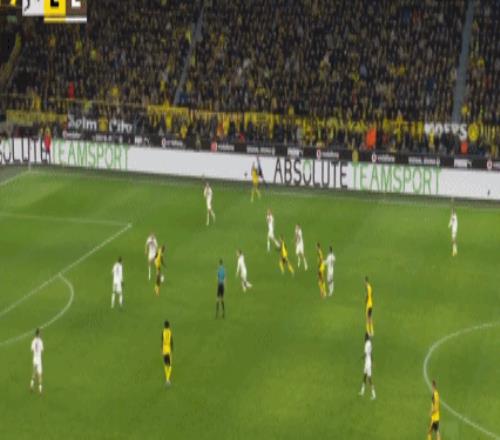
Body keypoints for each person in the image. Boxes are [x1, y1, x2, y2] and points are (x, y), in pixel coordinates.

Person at [359, 333, 376, 400]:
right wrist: (372, 361)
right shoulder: (370, 343)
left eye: (365, 337)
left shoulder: (366, 344)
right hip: (368, 362)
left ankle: (374, 394)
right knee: (364, 376)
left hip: (367, 363)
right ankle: (362, 391)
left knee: (369, 379)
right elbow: (371, 353)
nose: (364, 338)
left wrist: (362, 357)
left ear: (366, 337)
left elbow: (366, 353)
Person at [30, 328, 44, 394]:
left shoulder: (33, 341)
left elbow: (32, 349)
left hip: (34, 359)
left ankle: (31, 385)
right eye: (40, 333)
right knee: (39, 375)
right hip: (39, 359)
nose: (41, 334)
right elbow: (42, 350)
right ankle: (40, 390)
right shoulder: (40, 341)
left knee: (34, 373)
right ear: (38, 334)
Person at [161, 321, 173, 386]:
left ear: (164, 326)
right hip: (168, 349)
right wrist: (172, 349)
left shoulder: (163, 332)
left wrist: (162, 349)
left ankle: (167, 379)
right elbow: (171, 341)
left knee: (166, 364)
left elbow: (162, 340)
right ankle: (167, 380)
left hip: (164, 349)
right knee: (170, 365)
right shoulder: (170, 332)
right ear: (169, 325)